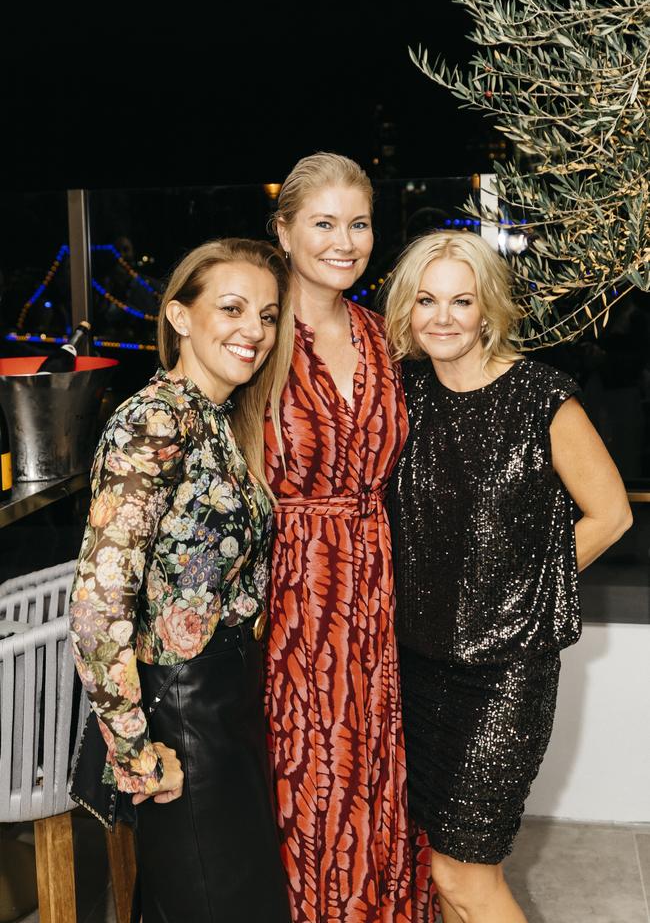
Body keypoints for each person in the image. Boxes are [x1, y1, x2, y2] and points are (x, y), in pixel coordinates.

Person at [383, 230, 632, 923]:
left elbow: (611, 515)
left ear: (488, 309)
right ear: (406, 312)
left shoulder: (541, 398)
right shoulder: (404, 401)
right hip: (418, 669)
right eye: (427, 300)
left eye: (461, 301)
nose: (443, 317)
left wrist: (526, 594)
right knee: (438, 870)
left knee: (466, 878)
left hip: (505, 678)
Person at [69, 239, 294, 923]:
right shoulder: (154, 420)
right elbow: (96, 606)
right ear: (179, 316)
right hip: (180, 711)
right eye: (230, 308)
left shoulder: (216, 419)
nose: (252, 330)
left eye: (267, 313)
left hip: (224, 702)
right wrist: (135, 753)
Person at [264, 152, 436, 922]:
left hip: (377, 586)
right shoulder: (255, 337)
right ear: (284, 230)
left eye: (358, 223)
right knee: (309, 777)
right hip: (288, 596)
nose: (344, 240)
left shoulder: (382, 335)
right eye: (323, 223)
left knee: (379, 772)